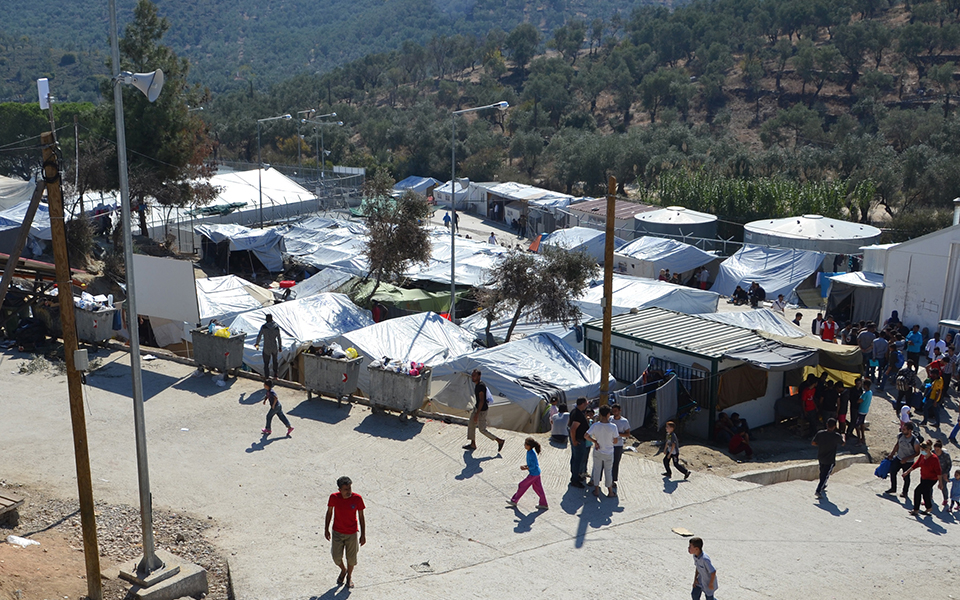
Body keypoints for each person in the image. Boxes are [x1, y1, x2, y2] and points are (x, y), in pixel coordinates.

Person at [325, 476, 366, 589]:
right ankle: (344, 570)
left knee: (351, 558)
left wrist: (363, 535)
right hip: (337, 532)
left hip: (352, 533)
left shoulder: (357, 499)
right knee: (336, 557)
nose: (349, 492)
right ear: (339, 490)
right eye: (345, 489)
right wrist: (326, 529)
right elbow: (329, 513)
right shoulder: (334, 497)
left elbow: (361, 517)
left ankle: (349, 577)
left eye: (350, 488)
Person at [464, 369, 505, 453]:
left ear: (479, 376)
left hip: (481, 410)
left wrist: (477, 414)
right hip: (477, 408)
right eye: (472, 375)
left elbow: (482, 401)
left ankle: (499, 440)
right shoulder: (477, 385)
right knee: (471, 424)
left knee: (482, 429)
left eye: (474, 376)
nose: (472, 377)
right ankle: (473, 444)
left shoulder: (481, 386)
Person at [585, 405, 619, 498]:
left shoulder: (595, 425)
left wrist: (595, 441)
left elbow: (586, 436)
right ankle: (610, 491)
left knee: (597, 470)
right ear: (608, 414)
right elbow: (615, 441)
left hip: (598, 451)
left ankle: (596, 490)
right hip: (609, 452)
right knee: (608, 472)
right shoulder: (613, 426)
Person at [508, 437, 548, 510]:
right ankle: (543, 503)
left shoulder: (532, 454)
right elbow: (531, 464)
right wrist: (526, 466)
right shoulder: (529, 452)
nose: (524, 445)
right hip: (536, 473)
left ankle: (514, 500)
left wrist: (525, 468)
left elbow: (534, 466)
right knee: (538, 488)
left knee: (522, 485)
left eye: (525, 444)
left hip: (533, 474)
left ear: (529, 446)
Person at [903, 440, 941, 516]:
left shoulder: (934, 459)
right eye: (921, 450)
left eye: (923, 450)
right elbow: (917, 464)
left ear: (928, 449)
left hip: (931, 479)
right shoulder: (922, 456)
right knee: (925, 492)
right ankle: (929, 507)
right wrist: (907, 472)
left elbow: (938, 472)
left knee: (917, 491)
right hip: (923, 477)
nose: (922, 451)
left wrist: (941, 483)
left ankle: (916, 509)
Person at [884, 422, 920, 499]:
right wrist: (892, 454)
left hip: (908, 462)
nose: (902, 430)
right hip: (898, 458)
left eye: (904, 429)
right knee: (892, 471)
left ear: (910, 430)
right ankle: (893, 488)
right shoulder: (900, 436)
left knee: (906, 477)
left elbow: (917, 453)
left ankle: (905, 492)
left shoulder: (915, 441)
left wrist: (907, 458)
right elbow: (897, 445)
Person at [812, 418, 844, 498]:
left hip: (821, 456)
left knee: (822, 472)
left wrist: (821, 445)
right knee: (825, 475)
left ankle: (822, 485)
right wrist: (844, 436)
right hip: (829, 459)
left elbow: (813, 443)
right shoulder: (836, 436)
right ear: (835, 426)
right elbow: (843, 443)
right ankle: (818, 490)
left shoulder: (820, 433)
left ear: (826, 425)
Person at [568, 397, 590, 488]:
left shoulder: (574, 411)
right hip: (578, 440)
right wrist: (574, 441)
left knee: (575, 458)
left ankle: (575, 476)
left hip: (578, 439)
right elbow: (573, 429)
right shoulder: (578, 414)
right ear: (582, 404)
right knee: (577, 460)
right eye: (586, 404)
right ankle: (575, 479)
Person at [255, 313, 282, 380]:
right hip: (274, 346)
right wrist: (280, 347)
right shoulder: (276, 327)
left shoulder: (264, 327)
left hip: (266, 347)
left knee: (266, 363)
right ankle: (276, 375)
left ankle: (267, 376)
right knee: (275, 361)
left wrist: (257, 344)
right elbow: (279, 337)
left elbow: (259, 336)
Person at [610, 403, 631, 488]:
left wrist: (617, 434)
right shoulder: (610, 419)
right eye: (613, 411)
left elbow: (627, 434)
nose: (614, 412)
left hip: (618, 445)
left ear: (620, 411)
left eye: (616, 411)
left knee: (615, 463)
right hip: (609, 444)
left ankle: (613, 480)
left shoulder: (624, 421)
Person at [934, 440, 952, 508]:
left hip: (943, 473)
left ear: (941, 448)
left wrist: (946, 473)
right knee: (929, 485)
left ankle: (945, 499)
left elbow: (949, 465)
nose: (936, 451)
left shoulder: (945, 455)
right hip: (934, 472)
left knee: (943, 487)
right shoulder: (932, 453)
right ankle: (929, 497)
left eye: (938, 449)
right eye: (935, 449)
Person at [854, 378, 873, 445]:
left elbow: (859, 401)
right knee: (862, 424)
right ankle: (863, 438)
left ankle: (859, 440)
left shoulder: (865, 394)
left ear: (865, 386)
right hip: (865, 410)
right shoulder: (870, 392)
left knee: (857, 425)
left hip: (861, 410)